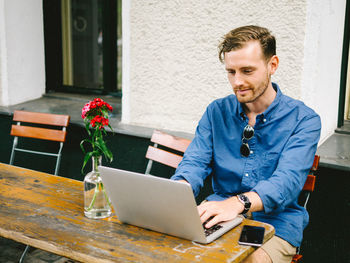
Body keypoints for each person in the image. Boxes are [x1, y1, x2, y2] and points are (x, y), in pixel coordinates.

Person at [171, 25, 321, 263]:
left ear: (273, 65)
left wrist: (239, 203)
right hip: (218, 213)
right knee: (174, 252)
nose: (237, 81)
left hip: (275, 222)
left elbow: (287, 182)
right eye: (231, 72)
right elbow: (195, 162)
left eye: (247, 71)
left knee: (247, 261)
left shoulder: (304, 120)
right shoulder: (216, 111)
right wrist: (177, 190)